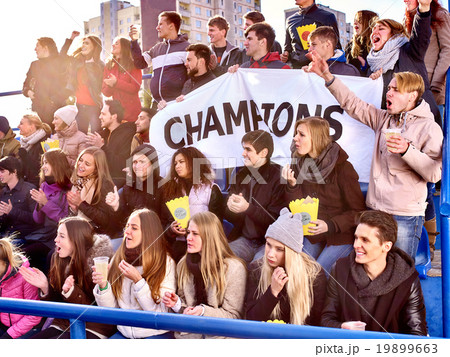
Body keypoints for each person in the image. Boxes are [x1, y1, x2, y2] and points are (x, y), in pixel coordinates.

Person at [304, 52, 443, 262]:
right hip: (374, 212)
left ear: (412, 95)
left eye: (396, 90)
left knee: (399, 272)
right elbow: (353, 104)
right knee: (368, 269)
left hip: (404, 216)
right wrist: (327, 76)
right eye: (389, 88)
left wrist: (407, 151)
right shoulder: (383, 119)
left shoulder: (429, 127)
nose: (390, 92)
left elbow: (434, 174)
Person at [321, 210, 428, 335]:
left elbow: (416, 333)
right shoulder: (340, 269)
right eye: (356, 238)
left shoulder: (408, 279)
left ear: (386, 246)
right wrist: (342, 328)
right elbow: (326, 320)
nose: (356, 245)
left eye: (365, 240)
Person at [282, 117, 366, 273]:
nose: (295, 138)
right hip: (312, 234)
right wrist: (292, 186)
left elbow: (359, 213)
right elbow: (298, 208)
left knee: (317, 273)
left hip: (340, 235)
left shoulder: (343, 169)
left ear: (316, 138)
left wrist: (330, 225)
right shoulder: (299, 163)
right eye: (296, 134)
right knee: (298, 269)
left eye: (301, 134)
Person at [404, 0, 450, 259]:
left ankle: (432, 235)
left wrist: (435, 86)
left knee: (433, 152)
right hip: (411, 92)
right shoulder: (408, 16)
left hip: (432, 91)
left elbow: (448, 51)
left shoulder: (440, 14)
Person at [20, 217, 115, 339]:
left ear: (76, 240)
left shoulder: (98, 264)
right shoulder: (59, 259)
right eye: (57, 235)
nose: (55, 240)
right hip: (65, 323)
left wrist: (72, 292)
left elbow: (97, 311)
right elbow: (58, 305)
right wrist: (46, 287)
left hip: (94, 327)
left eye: (62, 236)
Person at [93, 209, 176, 339]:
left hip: (155, 334)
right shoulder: (118, 258)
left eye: (134, 228)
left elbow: (160, 313)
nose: (127, 232)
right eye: (127, 227)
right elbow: (111, 311)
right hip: (124, 334)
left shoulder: (166, 263)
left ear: (148, 233)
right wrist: (103, 285)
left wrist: (138, 281)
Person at [162, 211, 247, 339]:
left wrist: (203, 311)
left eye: (195, 234)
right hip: (189, 337)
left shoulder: (234, 269)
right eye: (188, 232)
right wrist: (177, 304)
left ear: (209, 237)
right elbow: (185, 309)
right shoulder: (182, 265)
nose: (188, 238)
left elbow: (233, 316)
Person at [246, 208, 327, 325]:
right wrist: (272, 292)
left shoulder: (314, 275)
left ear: (292, 252)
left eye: (279, 249)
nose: (270, 254)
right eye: (268, 245)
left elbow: (316, 323)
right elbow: (251, 320)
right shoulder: (256, 269)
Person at [366, 0, 441, 126]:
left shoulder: (409, 51)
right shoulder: (372, 67)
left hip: (422, 122)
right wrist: (372, 84)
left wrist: (424, 7)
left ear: (393, 34)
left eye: (381, 28)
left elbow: (421, 34)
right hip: (394, 127)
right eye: (373, 29)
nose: (375, 32)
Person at [225, 130, 285, 264]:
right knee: (224, 261)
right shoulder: (240, 175)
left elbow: (275, 221)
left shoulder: (279, 177)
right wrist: (230, 207)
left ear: (263, 153)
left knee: (258, 269)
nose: (243, 153)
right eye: (243, 149)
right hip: (244, 239)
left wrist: (248, 208)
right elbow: (231, 217)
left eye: (248, 149)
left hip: (269, 243)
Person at [162, 147, 223, 262]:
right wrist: (171, 229)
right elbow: (165, 222)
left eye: (181, 162)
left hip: (204, 246)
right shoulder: (171, 189)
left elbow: (216, 225)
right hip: (178, 245)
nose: (177, 166)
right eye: (175, 163)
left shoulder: (212, 189)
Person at [130, 11, 189, 110]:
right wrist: (134, 41)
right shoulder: (156, 49)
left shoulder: (187, 48)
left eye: (160, 24)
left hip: (176, 104)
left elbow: (193, 77)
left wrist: (184, 94)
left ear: (171, 26)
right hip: (156, 104)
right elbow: (140, 63)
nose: (157, 27)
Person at [27, 149, 72, 272]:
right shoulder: (44, 185)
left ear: (57, 164)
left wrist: (46, 203)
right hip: (45, 233)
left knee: (43, 256)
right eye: (43, 163)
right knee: (22, 251)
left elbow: (66, 219)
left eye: (47, 163)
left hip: (59, 235)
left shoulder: (68, 188)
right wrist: (40, 205)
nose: (43, 167)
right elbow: (37, 220)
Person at [105, 144, 164, 230]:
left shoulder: (164, 187)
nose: (137, 166)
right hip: (131, 237)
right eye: (135, 162)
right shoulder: (128, 187)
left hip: (154, 238)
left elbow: (167, 223)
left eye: (142, 162)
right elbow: (121, 223)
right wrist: (116, 207)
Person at [60, 31, 104, 134]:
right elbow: (62, 56)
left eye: (87, 43)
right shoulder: (77, 62)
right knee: (80, 136)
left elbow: (100, 86)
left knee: (96, 135)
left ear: (94, 47)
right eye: (83, 43)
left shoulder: (100, 65)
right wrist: (71, 39)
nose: (83, 45)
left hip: (94, 107)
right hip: (79, 106)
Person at [66, 147, 116, 237]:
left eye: (87, 164)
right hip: (78, 230)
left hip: (97, 235)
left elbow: (105, 220)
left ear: (96, 169)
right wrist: (74, 209)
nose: (80, 165)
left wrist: (81, 204)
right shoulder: (77, 181)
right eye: (80, 160)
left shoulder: (104, 185)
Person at [86, 100, 136, 188]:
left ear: (114, 116)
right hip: (99, 179)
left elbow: (122, 165)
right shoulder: (102, 134)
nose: (99, 117)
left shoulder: (127, 135)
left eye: (103, 114)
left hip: (117, 182)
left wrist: (102, 147)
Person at [0, 237, 42, 339]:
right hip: (4, 325)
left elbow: (34, 314)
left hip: (28, 328)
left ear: (4, 261)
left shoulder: (26, 276)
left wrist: (10, 335)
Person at [22, 37, 68, 128]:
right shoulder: (34, 65)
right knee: (46, 139)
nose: (35, 49)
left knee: (59, 136)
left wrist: (53, 101)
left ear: (45, 48)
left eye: (37, 46)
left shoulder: (59, 62)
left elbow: (67, 85)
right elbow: (25, 85)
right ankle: (49, 142)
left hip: (58, 109)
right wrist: (28, 91)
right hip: (40, 110)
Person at [282, 0, 340, 69]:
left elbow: (336, 48)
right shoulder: (290, 20)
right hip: (297, 70)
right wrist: (285, 56)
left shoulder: (327, 17)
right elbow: (287, 49)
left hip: (321, 71)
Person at [102, 37, 142, 123]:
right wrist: (110, 85)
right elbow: (105, 92)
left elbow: (135, 88)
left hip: (132, 114)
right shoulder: (108, 66)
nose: (113, 45)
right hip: (117, 114)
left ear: (124, 47)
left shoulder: (133, 64)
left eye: (116, 43)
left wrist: (116, 83)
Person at [0, 156, 36, 239]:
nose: (0, 174)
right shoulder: (3, 192)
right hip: (6, 235)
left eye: (2, 171)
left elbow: (35, 219)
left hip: (24, 236)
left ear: (14, 172)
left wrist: (12, 211)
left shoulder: (29, 189)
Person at [17, 114, 52, 187]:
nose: (18, 126)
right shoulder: (25, 143)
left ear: (32, 127)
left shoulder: (45, 143)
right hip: (26, 184)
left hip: (38, 187)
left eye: (21, 123)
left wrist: (25, 158)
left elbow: (45, 170)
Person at [51, 104, 88, 169]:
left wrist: (61, 159)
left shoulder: (82, 138)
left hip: (71, 177)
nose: (53, 122)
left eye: (56, 119)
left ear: (65, 121)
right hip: (54, 177)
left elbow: (82, 165)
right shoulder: (54, 137)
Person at [345, 10, 379, 76]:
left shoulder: (377, 44)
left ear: (369, 23)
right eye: (355, 20)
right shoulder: (350, 46)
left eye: (360, 20)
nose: (355, 23)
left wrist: (364, 67)